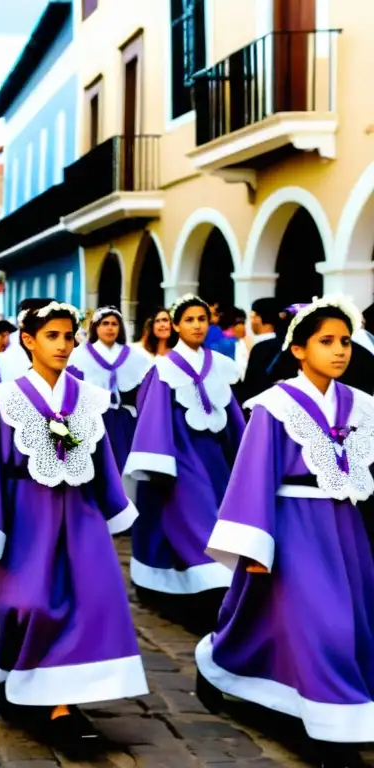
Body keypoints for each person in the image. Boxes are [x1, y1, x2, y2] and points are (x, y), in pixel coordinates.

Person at [0, 300, 146, 749]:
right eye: (52, 336)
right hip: (25, 518)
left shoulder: (87, 398)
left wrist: (113, 506)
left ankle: (62, 706)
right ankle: (18, 678)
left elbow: (100, 457)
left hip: (79, 516)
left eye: (69, 336)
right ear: (29, 342)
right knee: (28, 604)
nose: (63, 344)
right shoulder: (8, 400)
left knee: (90, 600)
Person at [195, 296, 374, 767]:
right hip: (292, 528)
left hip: (344, 528)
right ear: (299, 348)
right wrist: (254, 544)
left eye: (345, 342)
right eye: (326, 342)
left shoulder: (362, 405)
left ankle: (224, 666)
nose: (340, 351)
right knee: (324, 626)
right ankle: (329, 733)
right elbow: (252, 477)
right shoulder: (274, 406)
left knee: (350, 624)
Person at [124, 295, 243, 631]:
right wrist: (160, 461)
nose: (196, 325)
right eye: (189, 319)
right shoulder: (162, 369)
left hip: (215, 460)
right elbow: (152, 416)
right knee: (198, 519)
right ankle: (213, 592)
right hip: (179, 458)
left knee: (212, 520)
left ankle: (207, 594)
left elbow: (231, 416)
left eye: (202, 319)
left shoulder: (220, 365)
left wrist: (245, 455)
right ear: (175, 325)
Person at [67, 307, 151, 474]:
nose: (110, 328)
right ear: (96, 327)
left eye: (114, 324)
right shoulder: (80, 355)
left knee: (122, 465)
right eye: (105, 323)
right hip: (93, 418)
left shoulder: (134, 356)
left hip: (122, 420)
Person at [237, 298, 283, 404]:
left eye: (252, 317)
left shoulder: (260, 348)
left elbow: (252, 384)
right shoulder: (286, 344)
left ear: (258, 318)